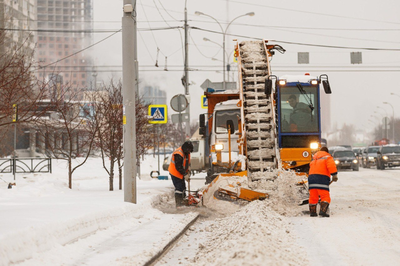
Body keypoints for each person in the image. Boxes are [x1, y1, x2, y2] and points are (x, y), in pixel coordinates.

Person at [308, 146, 338, 217]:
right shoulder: (327, 157)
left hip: (311, 178)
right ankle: (323, 211)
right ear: (327, 152)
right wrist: (334, 175)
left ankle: (313, 212)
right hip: (321, 178)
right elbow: (331, 166)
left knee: (313, 196)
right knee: (325, 195)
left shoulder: (314, 158)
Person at [168, 140, 194, 207]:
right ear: (186, 149)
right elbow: (178, 166)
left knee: (183, 187)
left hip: (180, 173)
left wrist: (188, 170)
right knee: (179, 188)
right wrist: (185, 174)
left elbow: (187, 163)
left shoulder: (187, 153)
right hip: (175, 172)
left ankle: (183, 202)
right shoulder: (178, 153)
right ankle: (179, 205)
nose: (189, 152)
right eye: (189, 150)